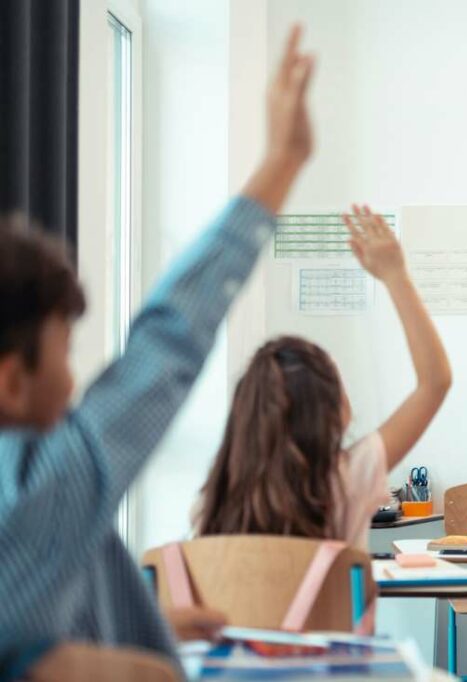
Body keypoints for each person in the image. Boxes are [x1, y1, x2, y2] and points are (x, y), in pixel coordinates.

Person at [0, 24, 314, 672]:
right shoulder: (37, 488)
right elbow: (166, 346)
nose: (73, 380)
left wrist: (139, 626)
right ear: (11, 382)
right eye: (63, 352)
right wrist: (280, 163)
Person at [194, 205, 451, 551]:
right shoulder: (347, 481)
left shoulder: (211, 504)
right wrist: (395, 275)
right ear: (330, 410)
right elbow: (435, 382)